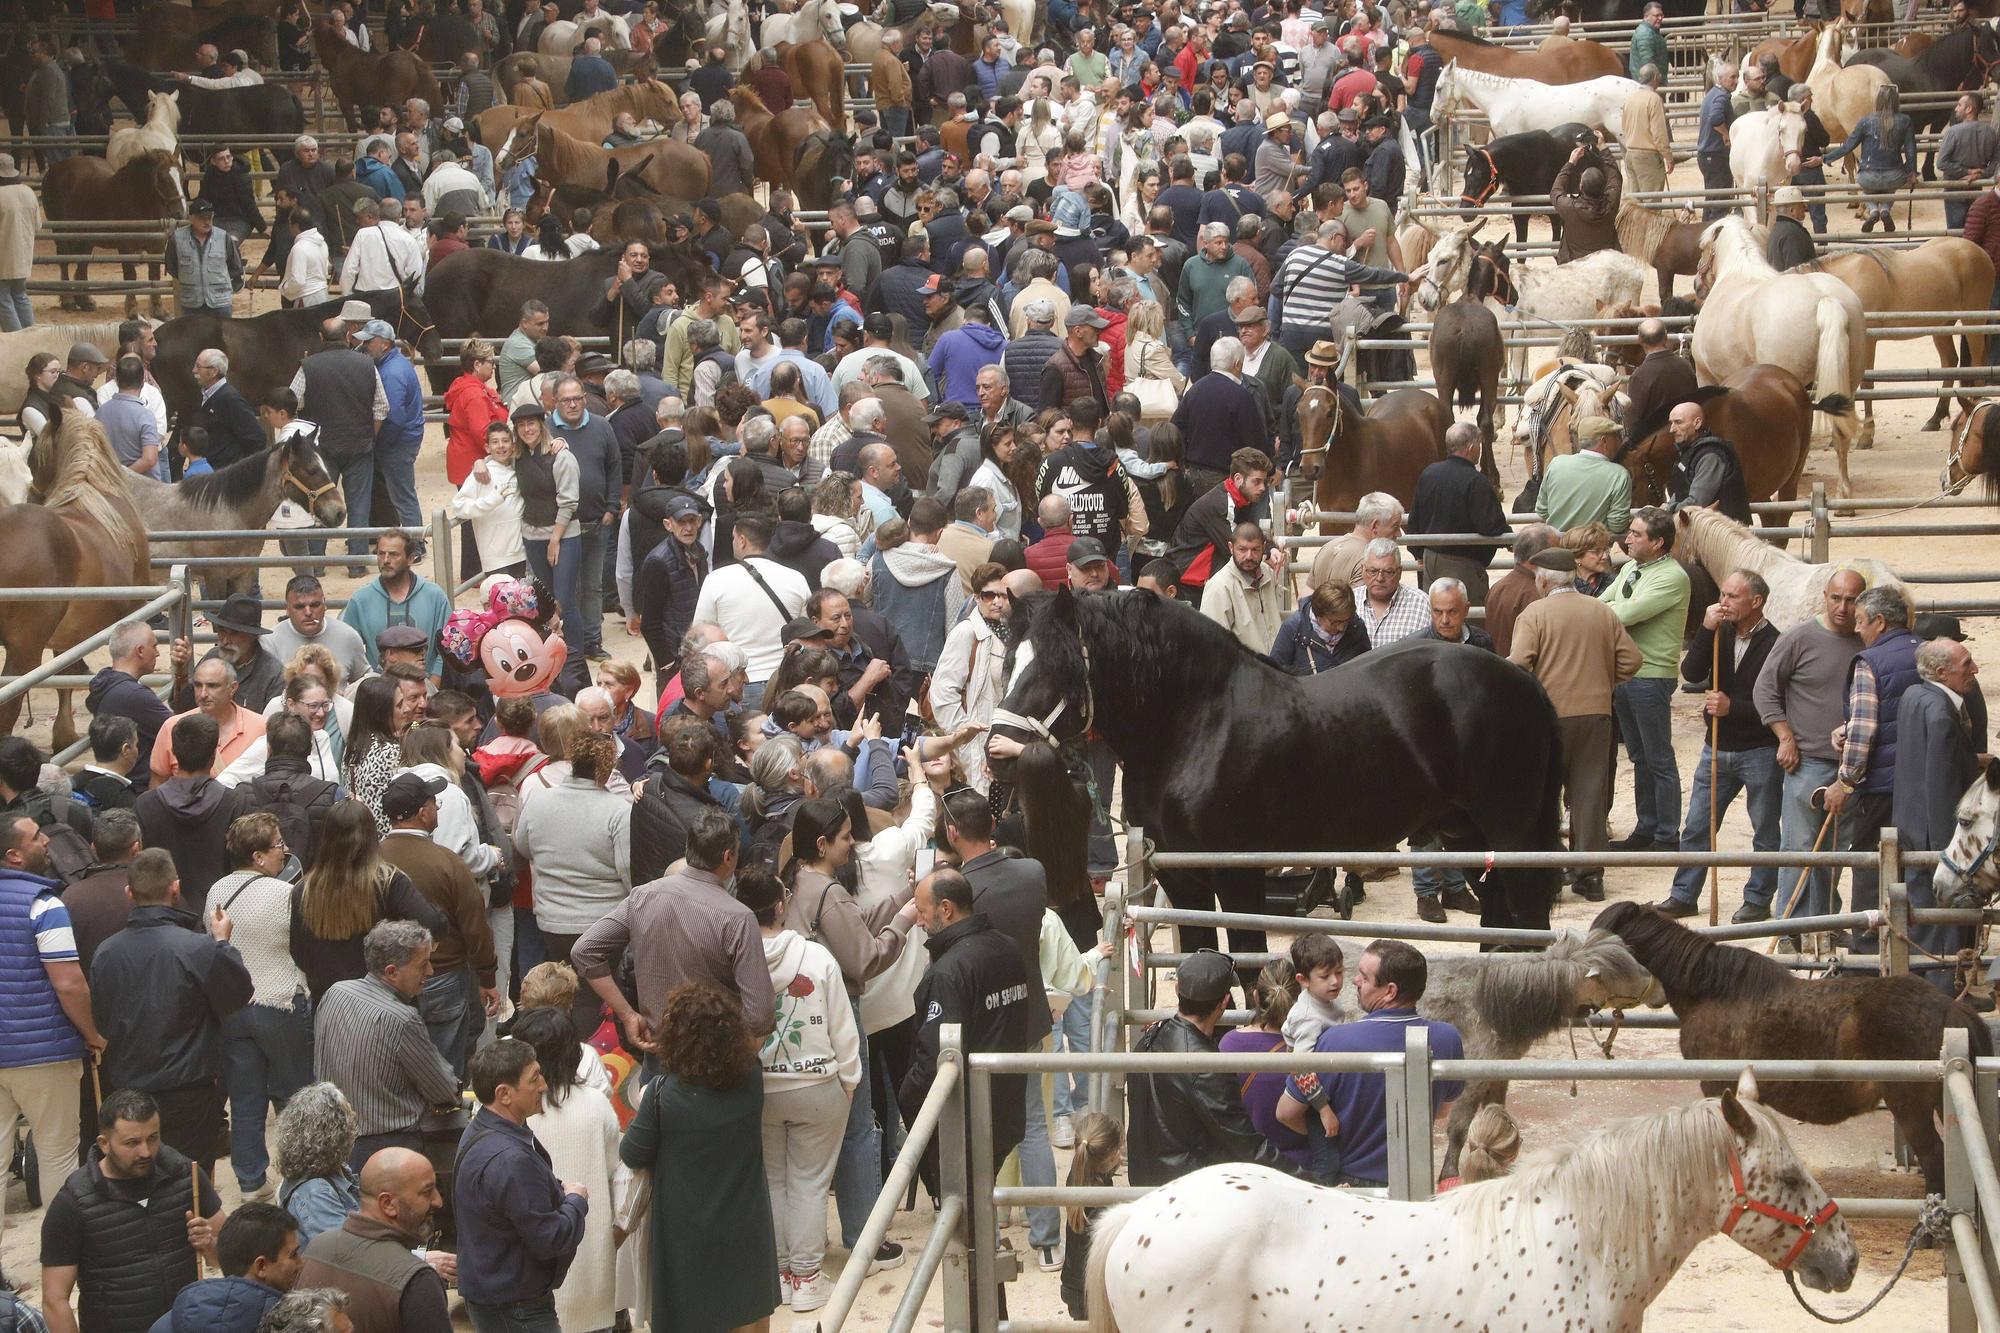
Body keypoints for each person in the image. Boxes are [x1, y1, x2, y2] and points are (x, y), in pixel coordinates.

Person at [732, 870, 859, 1313]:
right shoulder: (816, 957)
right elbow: (843, 1025)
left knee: (772, 1181)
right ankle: (806, 1277)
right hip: (818, 1083)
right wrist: (849, 1078)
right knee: (810, 1184)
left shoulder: (732, 958)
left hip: (758, 1088)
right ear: (781, 905)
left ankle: (782, 1273)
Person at [621, 982, 780, 1331]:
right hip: (746, 1227)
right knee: (751, 1319)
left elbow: (631, 1152)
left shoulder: (662, 1097)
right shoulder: (752, 1078)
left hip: (686, 1238)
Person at [574, 806, 775, 1046]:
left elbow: (584, 951)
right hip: (716, 1059)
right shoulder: (738, 918)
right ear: (728, 857)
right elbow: (761, 1016)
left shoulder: (642, 897)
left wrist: (627, 1014)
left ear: (688, 849)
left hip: (660, 1048)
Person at [1508, 548, 1643, 904]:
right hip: (1596, 714)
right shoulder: (1602, 610)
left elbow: (1519, 663)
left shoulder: (1534, 614)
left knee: (1546, 794)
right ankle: (1591, 874)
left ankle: (1552, 871)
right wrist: (1604, 680)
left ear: (1542, 580)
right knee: (1589, 794)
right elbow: (1632, 659)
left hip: (1548, 716)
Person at [1276, 940, 1465, 1188]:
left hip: (1350, 1187)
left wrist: (1328, 1132)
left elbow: (1286, 1113)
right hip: (1415, 1183)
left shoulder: (1335, 1041)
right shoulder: (1448, 1038)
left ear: (1389, 991)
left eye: (1363, 977)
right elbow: (1441, 1110)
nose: (1354, 981)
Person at [39, 1088, 226, 1333]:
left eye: (153, 1138)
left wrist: (209, 1244)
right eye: (132, 1143)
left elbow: (229, 1256)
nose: (146, 1152)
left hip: (184, 1324)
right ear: (104, 1144)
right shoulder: (73, 1203)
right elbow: (55, 1299)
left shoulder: (185, 1176)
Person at [1655, 571, 1784, 921]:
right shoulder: (1719, 632)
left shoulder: (1777, 643)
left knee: (1766, 829)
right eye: (1722, 595)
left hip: (1760, 749)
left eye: (1731, 597)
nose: (1722, 603)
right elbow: (1692, 672)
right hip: (1717, 744)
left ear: (1756, 602)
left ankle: (1757, 900)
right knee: (1698, 824)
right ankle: (1684, 894)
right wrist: (1706, 628)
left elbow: (1780, 704)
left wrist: (1734, 708)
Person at [0, 813, 103, 1235]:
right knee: (59, 1155)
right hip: (44, 1052)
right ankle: (60, 1259)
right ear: (14, 855)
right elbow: (68, 982)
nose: (47, 841)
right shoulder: (44, 903)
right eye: (37, 837)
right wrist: (92, 1034)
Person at [202, 814, 313, 1199]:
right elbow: (302, 949)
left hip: (232, 1010)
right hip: (280, 1001)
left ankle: (251, 1181)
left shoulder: (216, 891)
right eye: (278, 845)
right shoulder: (284, 894)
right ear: (258, 856)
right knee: (293, 1094)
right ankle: (300, 1173)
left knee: (245, 1098)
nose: (284, 851)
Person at [452, 1037, 590, 1333]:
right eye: (534, 1079)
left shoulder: (482, 1128)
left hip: (499, 1298)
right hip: (516, 1310)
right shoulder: (510, 1160)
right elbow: (551, 1238)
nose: (544, 1085)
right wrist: (576, 1201)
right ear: (504, 1094)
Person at [1128, 949, 1299, 1185]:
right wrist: (1309, 1181)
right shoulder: (1207, 1066)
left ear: (1178, 991)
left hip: (1145, 1182)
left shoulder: (1149, 1038)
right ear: (1224, 1003)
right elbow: (1248, 1147)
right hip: (1186, 1192)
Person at [1755, 570, 1866, 923]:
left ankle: (1826, 923)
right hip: (1807, 761)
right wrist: (1785, 736)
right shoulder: (1799, 637)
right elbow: (1765, 689)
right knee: (1799, 847)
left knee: (1835, 850)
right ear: (1824, 596)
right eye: (1837, 598)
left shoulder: (1867, 641)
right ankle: (1792, 926)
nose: (1843, 607)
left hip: (1853, 766)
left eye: (1852, 600)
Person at [312, 920, 461, 1168]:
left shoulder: (335, 992)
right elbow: (442, 1089)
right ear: (392, 972)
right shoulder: (403, 1019)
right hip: (386, 1149)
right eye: (423, 964)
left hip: (332, 1139)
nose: (431, 972)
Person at [377, 773, 498, 1077]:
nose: (437, 810)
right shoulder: (447, 863)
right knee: (446, 1071)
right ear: (422, 813)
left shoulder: (369, 860)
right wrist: (487, 976)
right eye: (434, 803)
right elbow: (474, 925)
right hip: (443, 976)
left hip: (385, 981)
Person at [1826, 586, 1923, 949]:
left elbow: (1867, 728)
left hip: (1881, 785)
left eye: (1862, 622)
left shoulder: (1870, 661)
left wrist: (1844, 781)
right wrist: (1847, 729)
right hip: (1922, 783)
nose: (1859, 631)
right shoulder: (1929, 652)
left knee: (1870, 867)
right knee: (1916, 866)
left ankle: (1865, 956)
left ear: (1880, 622)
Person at [1600, 508, 1692, 851]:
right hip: (1625, 673)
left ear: (1658, 543)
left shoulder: (1672, 577)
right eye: (1630, 532)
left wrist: (1593, 614)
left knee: (1659, 758)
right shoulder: (1628, 569)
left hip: (1651, 674)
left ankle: (1667, 835)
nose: (1627, 539)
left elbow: (1623, 613)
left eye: (1637, 535)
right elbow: (1601, 605)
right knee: (1639, 756)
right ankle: (1647, 827)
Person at [1896, 639, 1987, 981]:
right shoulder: (1941, 715)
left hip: (1910, 823)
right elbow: (1942, 788)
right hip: (1935, 833)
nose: (1975, 670)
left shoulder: (1913, 696)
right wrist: (1949, 851)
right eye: (1966, 665)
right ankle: (1943, 993)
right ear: (1941, 672)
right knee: (1941, 924)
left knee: (1922, 923)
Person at [513, 733, 633, 990]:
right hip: (604, 923)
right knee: (598, 994)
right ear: (606, 767)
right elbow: (628, 872)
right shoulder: (618, 810)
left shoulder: (538, 801)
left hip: (551, 920)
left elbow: (522, 846)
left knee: (565, 989)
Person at [295, 1144, 452, 1332]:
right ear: (388, 1204)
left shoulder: (316, 1248)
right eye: (427, 1191)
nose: (438, 1201)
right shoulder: (417, 1280)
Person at [138, 714, 256, 904]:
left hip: (164, 910)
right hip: (222, 910)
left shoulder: (145, 804)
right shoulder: (235, 802)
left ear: (174, 752)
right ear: (214, 752)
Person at [143, 1202, 302, 1333]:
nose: (301, 1264)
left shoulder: (164, 1325)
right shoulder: (292, 1326)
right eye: (293, 1255)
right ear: (261, 1266)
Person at [1407, 422, 1508, 603]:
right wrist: (1509, 538)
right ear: (1471, 447)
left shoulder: (1429, 473)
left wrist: (1417, 552)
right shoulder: (1476, 481)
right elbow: (1491, 525)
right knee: (1468, 619)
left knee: (1436, 617)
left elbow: (1414, 518)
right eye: (1479, 444)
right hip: (1463, 565)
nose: (1479, 448)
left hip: (1430, 560)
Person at [340, 531, 452, 679]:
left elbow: (448, 646)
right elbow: (348, 649)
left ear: (410, 558)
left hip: (425, 689)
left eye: (393, 555)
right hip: (380, 692)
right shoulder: (361, 600)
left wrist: (433, 684)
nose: (385, 560)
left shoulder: (435, 596)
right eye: (381, 554)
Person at [1816, 84, 1917, 233]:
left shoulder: (1866, 121)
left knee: (1868, 190)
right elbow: (1911, 151)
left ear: (1878, 101)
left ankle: (1873, 209)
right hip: (1894, 175)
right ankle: (1885, 210)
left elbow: (1847, 146)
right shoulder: (1905, 120)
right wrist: (1912, 172)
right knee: (1889, 190)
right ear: (1896, 101)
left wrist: (1824, 158)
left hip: (1868, 176)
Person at [1200, 521, 1290, 653]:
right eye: (1242, 549)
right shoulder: (1219, 587)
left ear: (1263, 548)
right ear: (1231, 548)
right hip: (1246, 670)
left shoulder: (1267, 573)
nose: (1249, 556)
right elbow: (1213, 644)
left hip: (1275, 666)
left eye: (1255, 550)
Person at [1534, 415, 1631, 537]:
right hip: (1593, 552)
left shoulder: (1556, 464)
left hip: (1557, 549)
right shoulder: (1619, 474)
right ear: (1604, 441)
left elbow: (1542, 511)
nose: (1620, 442)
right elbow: (1617, 526)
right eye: (1616, 437)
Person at [167, 201, 245, 318]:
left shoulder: (224, 237)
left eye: (209, 217)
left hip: (220, 304)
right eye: (202, 218)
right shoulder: (177, 239)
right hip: (191, 303)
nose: (207, 222)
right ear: (191, 218)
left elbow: (236, 267)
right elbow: (171, 267)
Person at [1550, 142, 1621, 264]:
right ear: (1604, 186)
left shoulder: (1569, 207)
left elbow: (1556, 190)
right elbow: (1615, 175)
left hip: (1576, 269)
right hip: (1605, 267)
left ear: (1581, 186)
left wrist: (1571, 163)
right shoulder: (1611, 203)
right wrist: (1603, 147)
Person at [1353, 537, 1428, 647]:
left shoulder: (1422, 605)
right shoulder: (1350, 600)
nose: (1379, 578)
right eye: (1373, 571)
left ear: (1400, 572)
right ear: (1363, 570)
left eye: (1388, 572)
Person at [0, 153, 40, 331]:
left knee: (3, 299)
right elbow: (38, 225)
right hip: (24, 255)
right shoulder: (28, 192)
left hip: (3, 255)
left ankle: (16, 337)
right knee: (20, 295)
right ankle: (31, 333)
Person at [1696, 62, 1737, 222]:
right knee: (1720, 204)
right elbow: (1715, 118)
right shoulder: (1721, 96)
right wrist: (1726, 134)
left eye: (1737, 77)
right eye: (1732, 77)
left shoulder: (1712, 93)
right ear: (1721, 78)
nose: (1736, 81)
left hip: (1707, 155)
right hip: (1716, 155)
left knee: (1712, 201)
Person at [1766, 185, 1817, 270]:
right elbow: (1796, 271)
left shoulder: (1777, 229)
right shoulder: (1793, 234)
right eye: (1801, 205)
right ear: (1792, 211)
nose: (1805, 207)